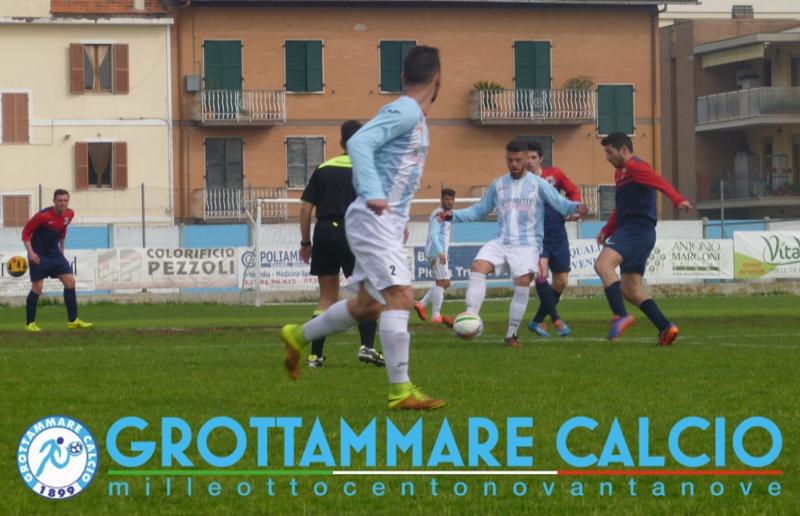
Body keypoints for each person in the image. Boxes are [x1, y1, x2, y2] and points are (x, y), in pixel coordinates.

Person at [280, 45, 444, 410]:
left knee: (368, 306)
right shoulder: (405, 111)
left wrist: (398, 219)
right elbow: (359, 142)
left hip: (383, 221)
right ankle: (401, 392)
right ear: (438, 79)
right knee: (400, 296)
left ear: (403, 76)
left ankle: (297, 336)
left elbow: (394, 173)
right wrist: (372, 193)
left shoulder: (414, 117)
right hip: (372, 219)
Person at [447, 139, 588, 347]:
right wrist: (453, 215)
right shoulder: (498, 185)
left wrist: (576, 207)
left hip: (528, 244)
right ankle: (471, 317)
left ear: (525, 159)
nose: (514, 164)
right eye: (510, 160)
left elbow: (560, 204)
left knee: (522, 281)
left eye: (518, 160)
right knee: (478, 267)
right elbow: (479, 210)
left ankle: (511, 335)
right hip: (502, 240)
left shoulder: (539, 184)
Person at [299, 120, 385, 368]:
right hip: (354, 233)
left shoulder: (324, 168)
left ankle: (315, 356)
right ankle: (367, 347)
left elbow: (305, 209)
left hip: (324, 232)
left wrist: (305, 242)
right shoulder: (367, 169)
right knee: (367, 292)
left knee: (326, 297)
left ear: (341, 142)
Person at [594, 132, 692, 345]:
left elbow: (659, 182)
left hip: (636, 230)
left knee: (602, 265)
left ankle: (620, 315)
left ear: (624, 150)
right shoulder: (621, 174)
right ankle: (666, 327)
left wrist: (678, 199)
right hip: (637, 232)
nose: (607, 158)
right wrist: (607, 230)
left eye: (609, 152)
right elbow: (621, 208)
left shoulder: (637, 167)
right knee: (631, 290)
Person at [524, 140, 582, 338]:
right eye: (527, 157)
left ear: (541, 159)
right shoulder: (521, 182)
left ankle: (537, 320)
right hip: (536, 237)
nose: (529, 161)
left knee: (561, 281)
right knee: (541, 276)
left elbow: (572, 190)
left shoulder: (554, 175)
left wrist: (575, 207)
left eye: (533, 157)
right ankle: (556, 320)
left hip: (557, 234)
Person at [21, 189, 93, 332]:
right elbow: (26, 233)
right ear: (54, 201)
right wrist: (31, 252)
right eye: (60, 200)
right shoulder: (43, 216)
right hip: (39, 255)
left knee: (70, 282)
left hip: (55, 255)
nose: (63, 203)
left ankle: (73, 321)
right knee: (37, 288)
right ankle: (30, 324)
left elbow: (63, 229)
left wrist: (62, 248)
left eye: (65, 200)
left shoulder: (69, 214)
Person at [414, 188, 456, 327]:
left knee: (446, 282)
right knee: (441, 281)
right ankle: (436, 315)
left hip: (440, 253)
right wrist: (440, 251)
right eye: (447, 199)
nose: (450, 202)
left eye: (452, 199)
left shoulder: (447, 214)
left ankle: (422, 304)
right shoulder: (439, 213)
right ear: (441, 200)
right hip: (436, 252)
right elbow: (433, 234)